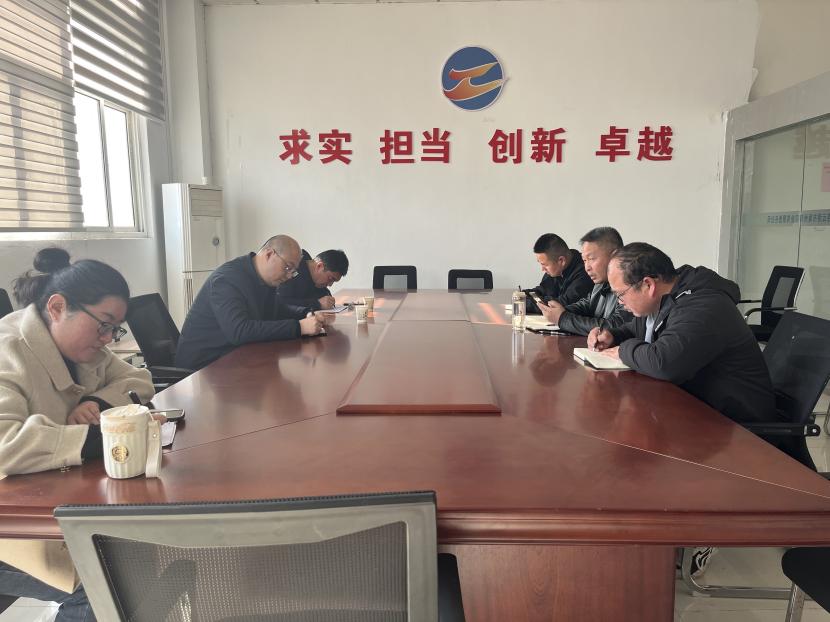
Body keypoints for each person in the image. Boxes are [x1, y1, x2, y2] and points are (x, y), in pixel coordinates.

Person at [0, 247, 155, 622]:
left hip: (45, 500)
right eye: (104, 325)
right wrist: (91, 440)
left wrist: (97, 402)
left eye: (114, 329)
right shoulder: (9, 349)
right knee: (104, 586)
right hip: (11, 523)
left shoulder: (83, 348)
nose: (108, 339)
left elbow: (139, 379)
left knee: (134, 553)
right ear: (57, 307)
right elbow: (5, 444)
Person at [588, 242, 776, 425]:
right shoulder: (665, 299)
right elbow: (635, 329)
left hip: (737, 426)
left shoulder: (704, 306)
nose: (620, 302)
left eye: (620, 295)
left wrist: (623, 350)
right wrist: (612, 335)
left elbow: (664, 363)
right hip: (697, 409)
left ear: (648, 285)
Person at [175, 235, 324, 370]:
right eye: (287, 267)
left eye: (293, 271)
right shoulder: (227, 279)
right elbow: (239, 331)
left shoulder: (264, 279)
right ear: (269, 254)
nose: (290, 275)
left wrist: (306, 313)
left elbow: (278, 309)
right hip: (203, 369)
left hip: (234, 358)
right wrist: (298, 327)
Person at [536, 227, 632, 335]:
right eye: (584, 260)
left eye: (591, 259)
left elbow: (615, 326)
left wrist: (563, 318)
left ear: (614, 256)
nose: (587, 267)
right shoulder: (600, 283)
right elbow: (585, 305)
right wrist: (557, 311)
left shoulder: (630, 285)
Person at [526, 233, 593, 313]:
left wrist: (525, 303)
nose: (542, 269)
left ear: (561, 261)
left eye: (545, 265)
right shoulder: (556, 270)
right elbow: (540, 291)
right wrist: (522, 295)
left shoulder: (585, 272)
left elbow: (560, 305)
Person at [275, 249, 349, 311]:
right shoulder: (292, 271)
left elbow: (320, 294)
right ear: (319, 266)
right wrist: (317, 304)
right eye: (330, 279)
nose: (330, 285)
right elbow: (280, 302)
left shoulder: (314, 278)